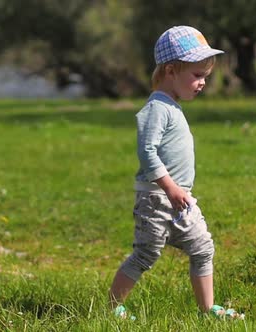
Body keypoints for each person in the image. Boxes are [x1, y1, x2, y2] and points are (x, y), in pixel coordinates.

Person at [108, 25, 242, 319]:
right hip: (157, 198)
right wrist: (170, 187)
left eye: (205, 76)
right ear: (171, 70)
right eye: (197, 75)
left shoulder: (171, 105)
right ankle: (111, 308)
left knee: (203, 248)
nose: (203, 83)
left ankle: (208, 310)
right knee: (145, 254)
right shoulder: (156, 108)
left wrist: (177, 192)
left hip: (180, 199)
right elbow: (146, 152)